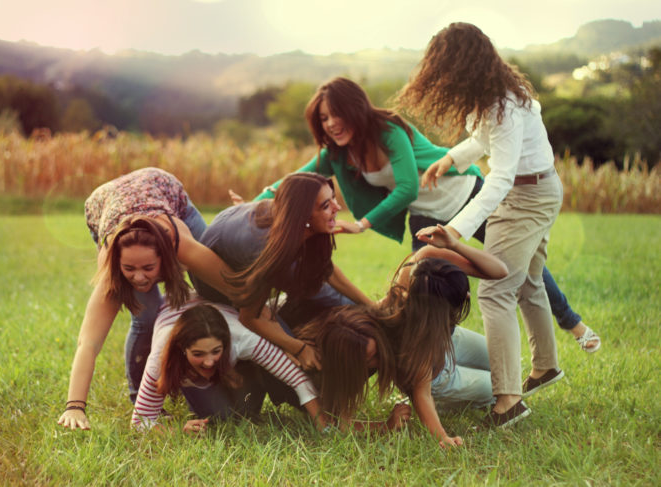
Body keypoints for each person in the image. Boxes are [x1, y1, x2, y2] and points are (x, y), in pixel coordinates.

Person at [246, 76, 599, 354]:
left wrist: (362, 224)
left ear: (353, 109)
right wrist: (255, 201)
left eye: (336, 114)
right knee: (419, 285)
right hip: (425, 218)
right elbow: (296, 181)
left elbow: (407, 188)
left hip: (464, 196)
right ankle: (427, 353)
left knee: (516, 267)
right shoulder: (339, 152)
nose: (331, 124)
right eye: (324, 118)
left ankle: (572, 323)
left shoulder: (389, 131)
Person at [398, 22, 567, 427]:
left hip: (527, 195)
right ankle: (545, 367)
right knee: (527, 281)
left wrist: (454, 230)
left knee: (495, 291)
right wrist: (449, 159)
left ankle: (508, 401)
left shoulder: (504, 105)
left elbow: (502, 175)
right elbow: (483, 141)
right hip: (535, 190)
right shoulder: (489, 98)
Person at [58, 167, 236, 430]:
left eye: (148, 269)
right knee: (147, 315)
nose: (140, 278)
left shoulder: (180, 243)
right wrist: (75, 407)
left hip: (161, 188)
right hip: (104, 203)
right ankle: (141, 397)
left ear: (165, 259)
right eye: (129, 269)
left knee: (213, 288)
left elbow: (234, 286)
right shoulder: (112, 268)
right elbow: (89, 343)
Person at [299, 224, 508, 447]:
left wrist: (454, 244)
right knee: (497, 387)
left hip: (448, 342)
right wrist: (442, 438)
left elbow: (499, 271)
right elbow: (422, 392)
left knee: (504, 362)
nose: (467, 297)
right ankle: (447, 398)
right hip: (436, 375)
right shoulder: (415, 334)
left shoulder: (424, 262)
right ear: (436, 312)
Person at [193, 172, 373, 372]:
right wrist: (299, 348)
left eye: (333, 199)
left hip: (254, 253)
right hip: (218, 285)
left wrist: (372, 306)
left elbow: (327, 270)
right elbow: (250, 317)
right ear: (303, 215)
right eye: (326, 205)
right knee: (297, 351)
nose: (337, 208)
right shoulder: (263, 248)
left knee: (343, 302)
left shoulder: (292, 221)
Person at [131, 298, 324, 434]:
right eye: (198, 354)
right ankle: (193, 384)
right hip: (173, 309)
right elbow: (140, 421)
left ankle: (239, 371)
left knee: (244, 411)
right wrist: (179, 431)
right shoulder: (162, 356)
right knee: (220, 417)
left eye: (216, 351)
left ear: (226, 343)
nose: (208, 361)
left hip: (222, 314)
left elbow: (296, 377)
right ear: (182, 348)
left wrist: (322, 423)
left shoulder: (241, 338)